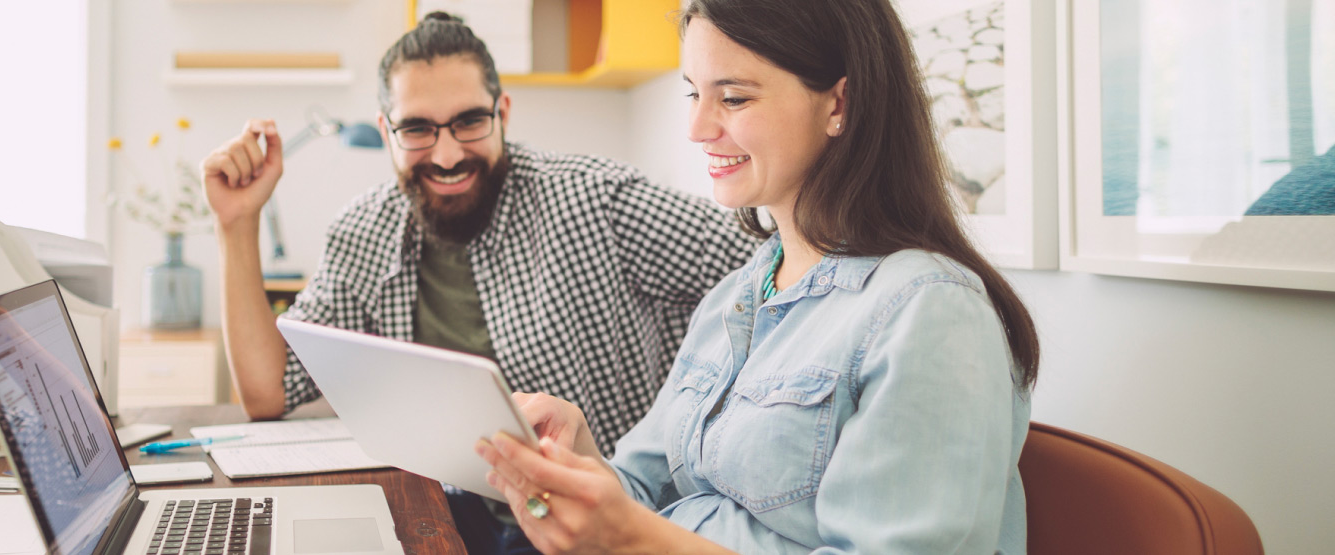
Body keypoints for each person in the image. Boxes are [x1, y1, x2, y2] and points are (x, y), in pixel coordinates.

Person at [475, 0, 1041, 553]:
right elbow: (643, 497)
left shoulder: (930, 310)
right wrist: (580, 461)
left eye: (735, 97)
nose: (697, 128)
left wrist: (630, 538)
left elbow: (640, 533)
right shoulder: (736, 295)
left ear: (840, 102)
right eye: (695, 94)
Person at [200, 11, 760, 554]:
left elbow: (775, 269)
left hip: (600, 525)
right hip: (451, 509)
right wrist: (237, 222)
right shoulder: (362, 232)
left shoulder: (596, 200)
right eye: (417, 129)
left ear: (503, 113)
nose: (446, 155)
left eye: (469, 121)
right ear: (384, 131)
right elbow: (267, 390)